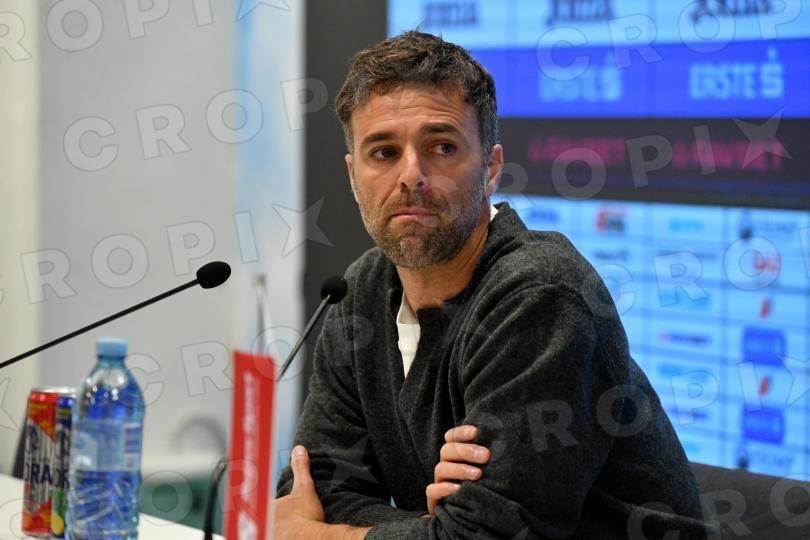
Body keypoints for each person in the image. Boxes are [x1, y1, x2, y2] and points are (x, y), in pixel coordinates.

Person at [273, 31, 712, 539]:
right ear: (354, 177)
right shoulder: (359, 292)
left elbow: (489, 534)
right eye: (384, 152)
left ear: (491, 168)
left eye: (442, 147)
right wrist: (428, 528)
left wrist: (331, 537)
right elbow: (316, 491)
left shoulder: (541, 296)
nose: (411, 175)